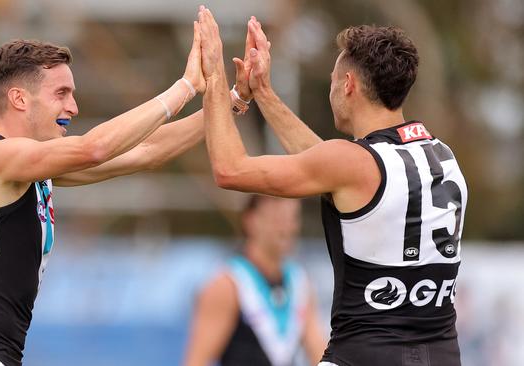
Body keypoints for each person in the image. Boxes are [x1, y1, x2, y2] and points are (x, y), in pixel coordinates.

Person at [0, 22, 215, 366]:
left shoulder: (29, 169)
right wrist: (187, 86)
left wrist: (232, 101)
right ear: (18, 98)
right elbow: (95, 148)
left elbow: (147, 150)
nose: (73, 108)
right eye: (61, 94)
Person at [197, 6, 468, 366]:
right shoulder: (441, 155)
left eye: (331, 81)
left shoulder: (353, 163)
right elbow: (327, 167)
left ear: (348, 85)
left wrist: (214, 77)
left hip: (363, 355)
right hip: (442, 356)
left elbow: (229, 170)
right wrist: (263, 92)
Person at [184, 195, 326, 366]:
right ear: (250, 221)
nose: (287, 228)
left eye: (293, 218)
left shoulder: (299, 282)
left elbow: (318, 352)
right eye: (278, 218)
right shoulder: (228, 284)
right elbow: (196, 361)